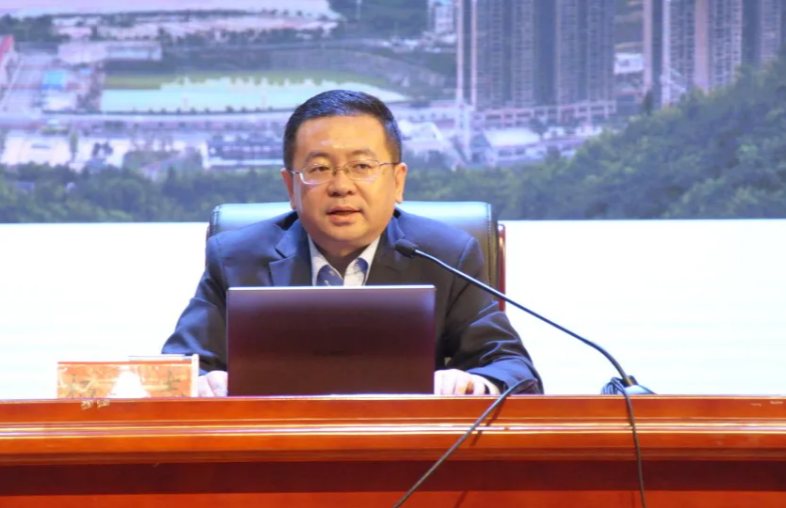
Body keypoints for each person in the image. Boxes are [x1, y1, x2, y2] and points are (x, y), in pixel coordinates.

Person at [162, 90, 542, 397]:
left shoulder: (446, 256)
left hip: (409, 457)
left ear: (398, 181)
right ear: (290, 187)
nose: (341, 186)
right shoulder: (236, 259)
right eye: (319, 168)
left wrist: (475, 383)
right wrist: (203, 383)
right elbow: (175, 372)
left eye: (362, 167)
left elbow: (516, 372)